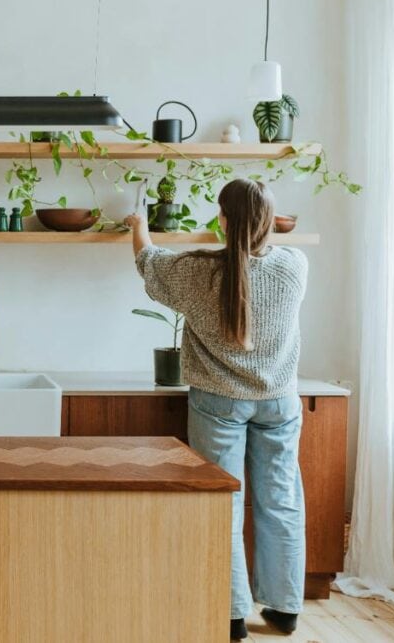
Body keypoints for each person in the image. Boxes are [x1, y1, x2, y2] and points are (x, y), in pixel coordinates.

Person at [124, 179, 307, 640]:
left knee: (221, 505)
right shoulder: (294, 266)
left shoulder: (195, 273)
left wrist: (139, 224)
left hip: (219, 402)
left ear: (222, 220)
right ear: (269, 221)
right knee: (280, 502)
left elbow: (147, 262)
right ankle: (285, 609)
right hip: (278, 402)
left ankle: (229, 615)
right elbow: (254, 260)